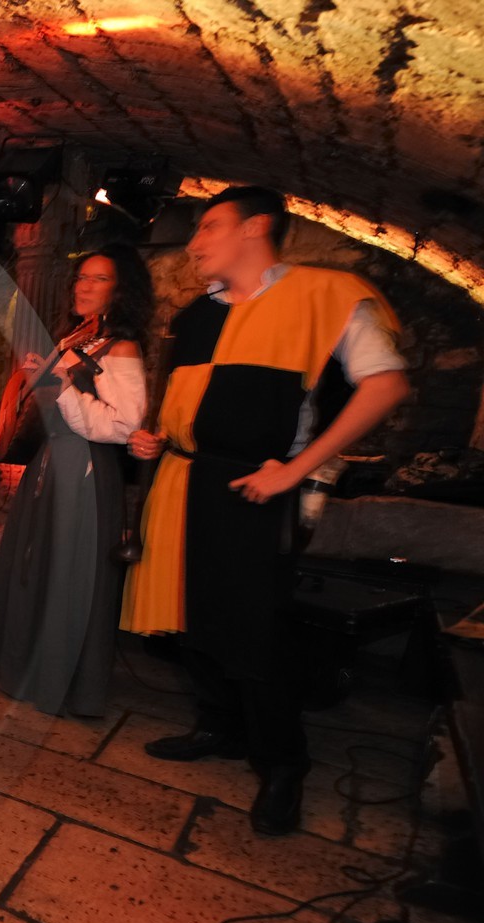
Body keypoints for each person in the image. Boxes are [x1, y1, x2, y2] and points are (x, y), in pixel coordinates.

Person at [122, 186, 409, 836]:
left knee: (254, 630)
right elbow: (187, 402)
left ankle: (282, 764)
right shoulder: (196, 316)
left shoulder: (324, 295)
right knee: (188, 615)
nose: (195, 243)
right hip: (182, 479)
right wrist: (155, 439)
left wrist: (297, 471)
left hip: (259, 488)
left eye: (210, 227)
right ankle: (219, 726)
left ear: (255, 227)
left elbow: (387, 384)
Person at [0, 245, 151, 717]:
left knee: (68, 571)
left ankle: (64, 679)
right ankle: (28, 667)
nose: (83, 286)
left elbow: (123, 424)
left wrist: (59, 384)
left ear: (121, 290)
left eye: (98, 279)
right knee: (37, 565)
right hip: (52, 462)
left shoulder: (122, 348)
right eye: (81, 277)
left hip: (85, 471)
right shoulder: (77, 340)